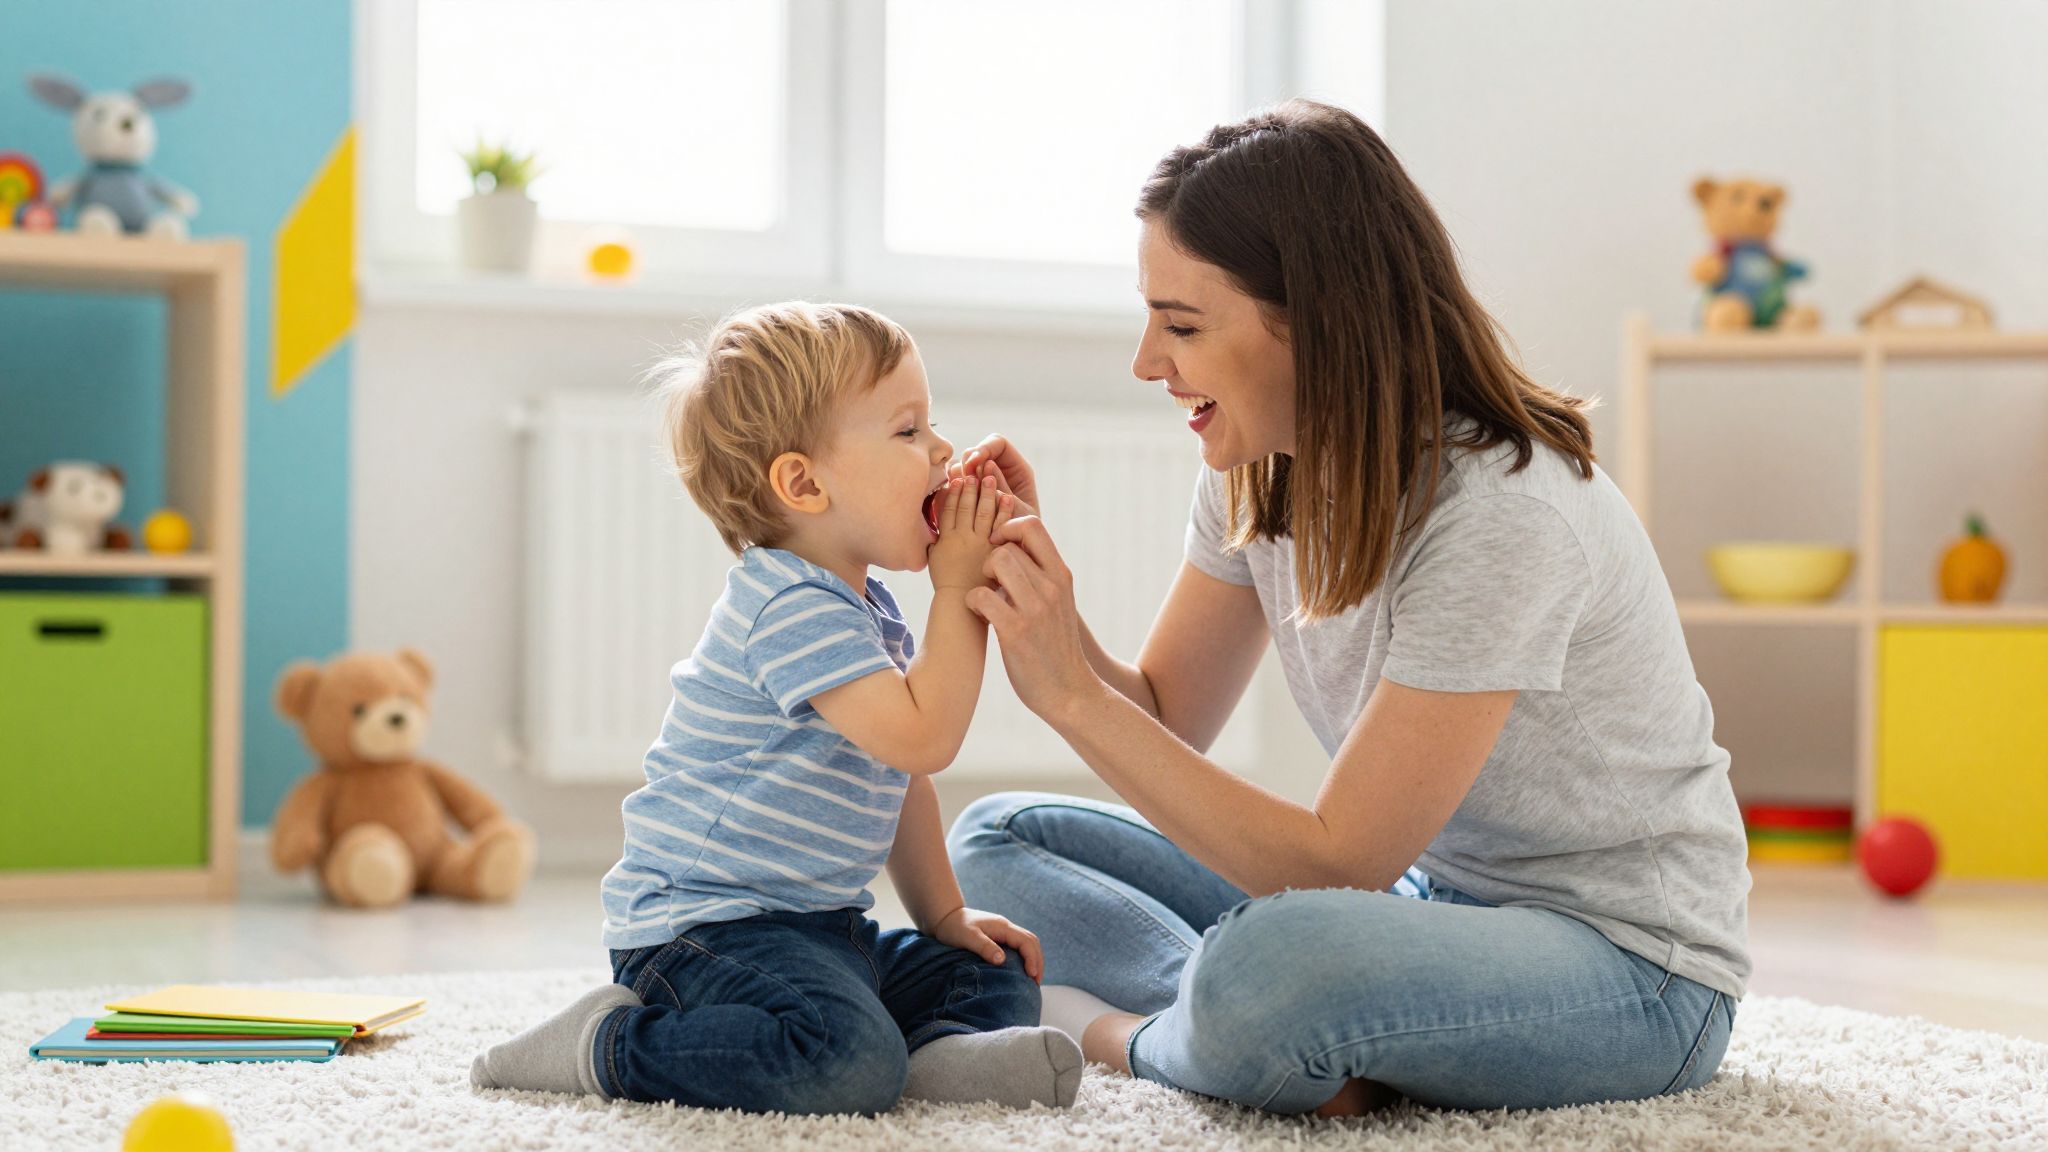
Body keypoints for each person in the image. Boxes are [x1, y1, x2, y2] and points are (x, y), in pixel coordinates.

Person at [945, 100, 1751, 1116]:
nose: (1147, 362)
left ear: (1316, 320)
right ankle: (1266, 1027)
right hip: (1424, 908)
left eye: (1182, 325)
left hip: (1634, 970)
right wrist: (1040, 604)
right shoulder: (1255, 469)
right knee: (998, 840)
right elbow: (1164, 721)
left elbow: (1341, 858)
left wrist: (1071, 697)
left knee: (1278, 962)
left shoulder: (1501, 511)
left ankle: (1125, 1030)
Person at [471, 302, 1082, 1114]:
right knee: (844, 1058)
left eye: (932, 425)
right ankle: (609, 1046)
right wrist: (957, 590)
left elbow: (902, 777)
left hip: (819, 929)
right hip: (702, 934)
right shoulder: (786, 606)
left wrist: (945, 915)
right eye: (908, 431)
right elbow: (925, 739)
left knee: (992, 969)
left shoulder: (865, 609)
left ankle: (939, 1060)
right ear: (803, 483)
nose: (942, 450)